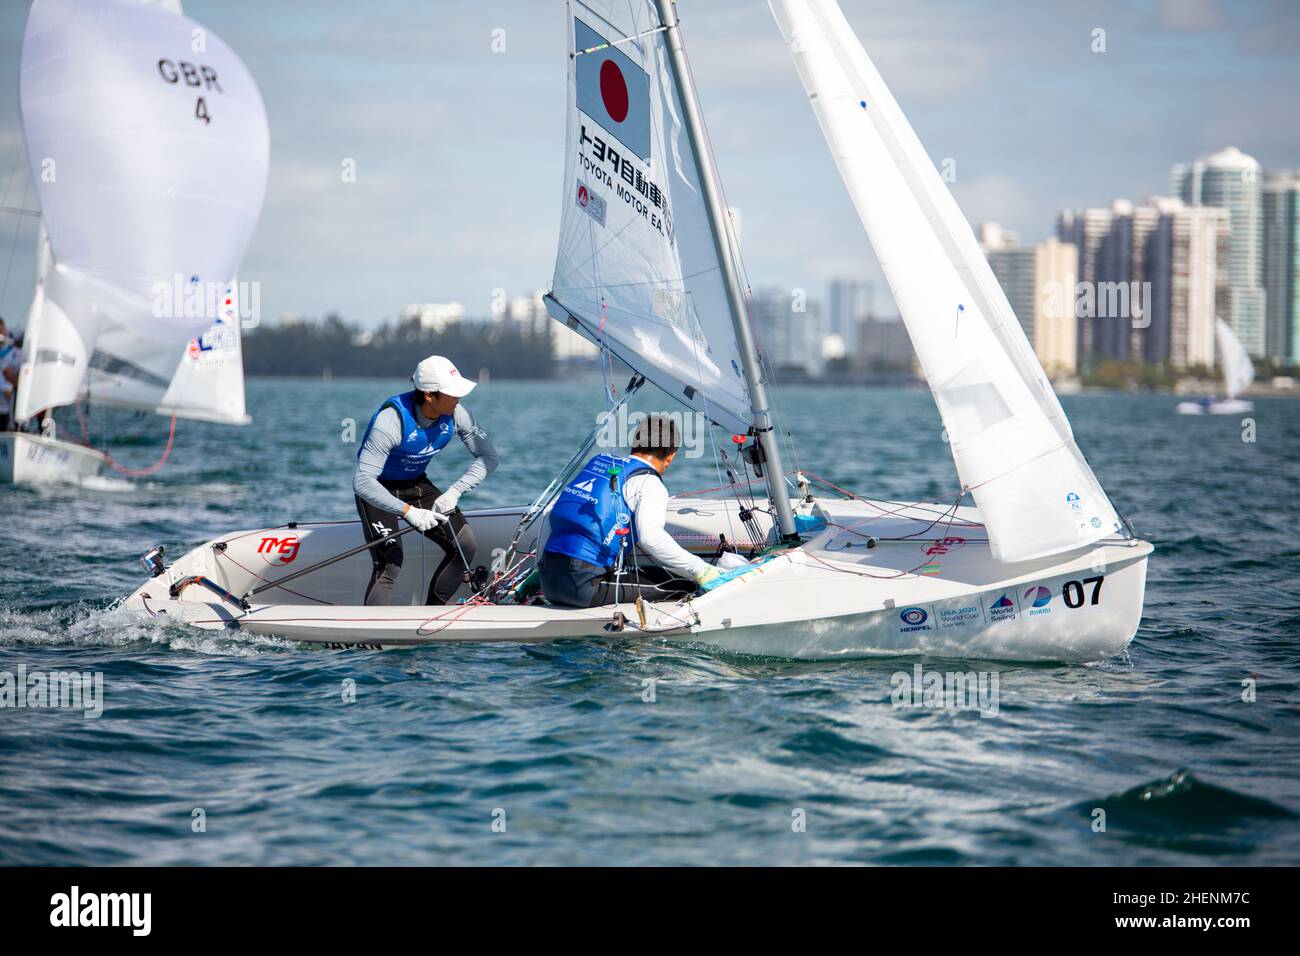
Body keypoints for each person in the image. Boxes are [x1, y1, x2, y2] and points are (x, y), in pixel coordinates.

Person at [353, 355, 498, 606]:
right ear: (429, 395)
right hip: (378, 490)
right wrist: (408, 512)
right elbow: (363, 481)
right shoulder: (390, 421)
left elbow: (489, 457)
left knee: (465, 545)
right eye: (452, 393)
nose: (459, 398)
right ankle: (374, 633)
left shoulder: (458, 414)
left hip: (416, 484)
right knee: (391, 563)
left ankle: (431, 616)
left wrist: (454, 492)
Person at [539, 414, 721, 608]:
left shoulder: (599, 463)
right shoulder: (649, 482)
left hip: (547, 583)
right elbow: (651, 538)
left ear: (634, 444)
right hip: (583, 589)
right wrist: (702, 570)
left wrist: (536, 576)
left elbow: (550, 514)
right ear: (671, 456)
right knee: (684, 585)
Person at [0, 318, 21, 431]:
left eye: (2, 329)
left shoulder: (14, 338)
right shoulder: (2, 358)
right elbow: (11, 385)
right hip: (4, 413)